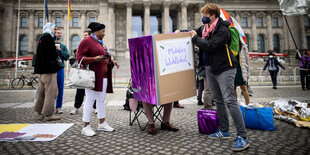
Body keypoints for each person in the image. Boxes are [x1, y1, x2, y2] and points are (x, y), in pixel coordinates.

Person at [188, 3, 249, 151]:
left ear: (214, 15)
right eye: (203, 14)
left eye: (206, 14)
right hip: (209, 67)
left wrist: (195, 39)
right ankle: (224, 130)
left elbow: (210, 45)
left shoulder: (223, 29)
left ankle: (243, 136)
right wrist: (179, 32)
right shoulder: (205, 29)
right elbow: (192, 32)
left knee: (229, 100)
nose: (204, 17)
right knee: (218, 100)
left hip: (225, 67)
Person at [77, 22, 120, 137]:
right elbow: (79, 58)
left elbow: (104, 57)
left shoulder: (100, 43)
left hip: (103, 76)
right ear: (96, 31)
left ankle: (102, 123)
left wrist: (111, 61)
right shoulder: (86, 41)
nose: (104, 33)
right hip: (92, 76)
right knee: (90, 100)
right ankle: (86, 126)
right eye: (103, 31)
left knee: (101, 100)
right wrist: (93, 59)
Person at [33, 23, 61, 121]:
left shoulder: (42, 37)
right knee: (51, 92)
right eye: (54, 29)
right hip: (49, 70)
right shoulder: (48, 38)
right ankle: (48, 115)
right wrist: (56, 49)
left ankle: (39, 113)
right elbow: (50, 54)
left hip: (41, 71)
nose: (55, 31)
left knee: (41, 92)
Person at [69, 30, 97, 115]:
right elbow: (78, 57)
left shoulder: (94, 46)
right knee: (80, 91)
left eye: (85, 35)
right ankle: (76, 107)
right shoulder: (82, 46)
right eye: (84, 36)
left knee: (93, 90)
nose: (84, 37)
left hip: (91, 71)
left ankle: (95, 107)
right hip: (82, 71)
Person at [54, 27, 69, 114]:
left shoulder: (63, 46)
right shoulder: (49, 44)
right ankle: (48, 106)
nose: (59, 34)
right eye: (57, 33)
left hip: (60, 69)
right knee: (50, 89)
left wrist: (60, 50)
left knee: (60, 89)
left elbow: (66, 57)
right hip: (51, 69)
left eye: (60, 33)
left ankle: (59, 107)